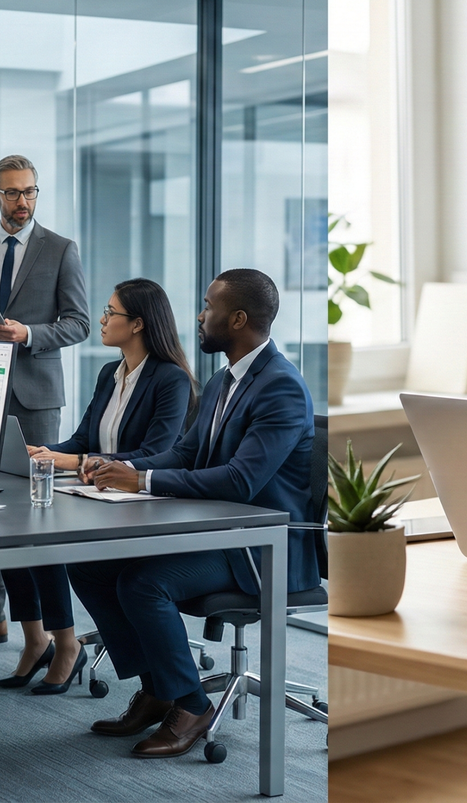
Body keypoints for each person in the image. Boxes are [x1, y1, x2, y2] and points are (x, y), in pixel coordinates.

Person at [76, 268, 317, 759]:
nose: (201, 315)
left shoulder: (281, 388)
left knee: (144, 583)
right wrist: (119, 467)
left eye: (209, 306)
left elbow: (239, 480)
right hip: (218, 534)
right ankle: (158, 687)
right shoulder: (222, 380)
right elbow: (185, 454)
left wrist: (140, 481)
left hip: (261, 546)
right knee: (89, 563)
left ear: (239, 318)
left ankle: (191, 703)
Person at [0, 278, 196, 694]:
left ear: (137, 324)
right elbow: (84, 439)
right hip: (98, 495)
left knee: (44, 538)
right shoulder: (110, 373)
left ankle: (67, 647)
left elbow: (156, 454)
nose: (101, 321)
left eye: (110, 313)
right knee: (12, 533)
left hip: (143, 501)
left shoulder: (170, 379)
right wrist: (45, 450)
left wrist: (75, 461)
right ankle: (40, 641)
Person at [0, 153, 90, 650]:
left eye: (29, 192)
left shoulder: (61, 250)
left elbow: (79, 323)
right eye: (12, 193)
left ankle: (54, 633)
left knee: (36, 515)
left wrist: (28, 333)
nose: (22, 201)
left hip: (35, 396)